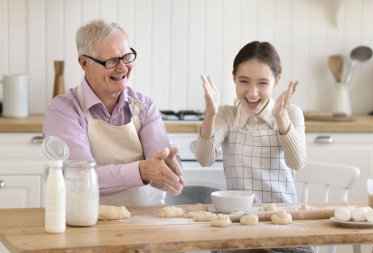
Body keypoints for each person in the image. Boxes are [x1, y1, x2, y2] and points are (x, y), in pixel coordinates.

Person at [43, 18, 184, 206]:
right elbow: (80, 177)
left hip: (141, 223)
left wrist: (168, 169)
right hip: (82, 224)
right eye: (112, 61)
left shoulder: (144, 106)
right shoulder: (63, 111)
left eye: (126, 57)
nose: (123, 67)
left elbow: (158, 168)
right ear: (84, 63)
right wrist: (141, 171)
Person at [197, 41, 311, 253]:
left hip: (284, 227)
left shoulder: (292, 113)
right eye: (244, 81)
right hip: (238, 226)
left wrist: (281, 119)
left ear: (277, 81)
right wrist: (210, 114)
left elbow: (297, 162)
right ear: (233, 79)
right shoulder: (226, 115)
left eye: (262, 83)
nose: (252, 92)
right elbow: (205, 159)